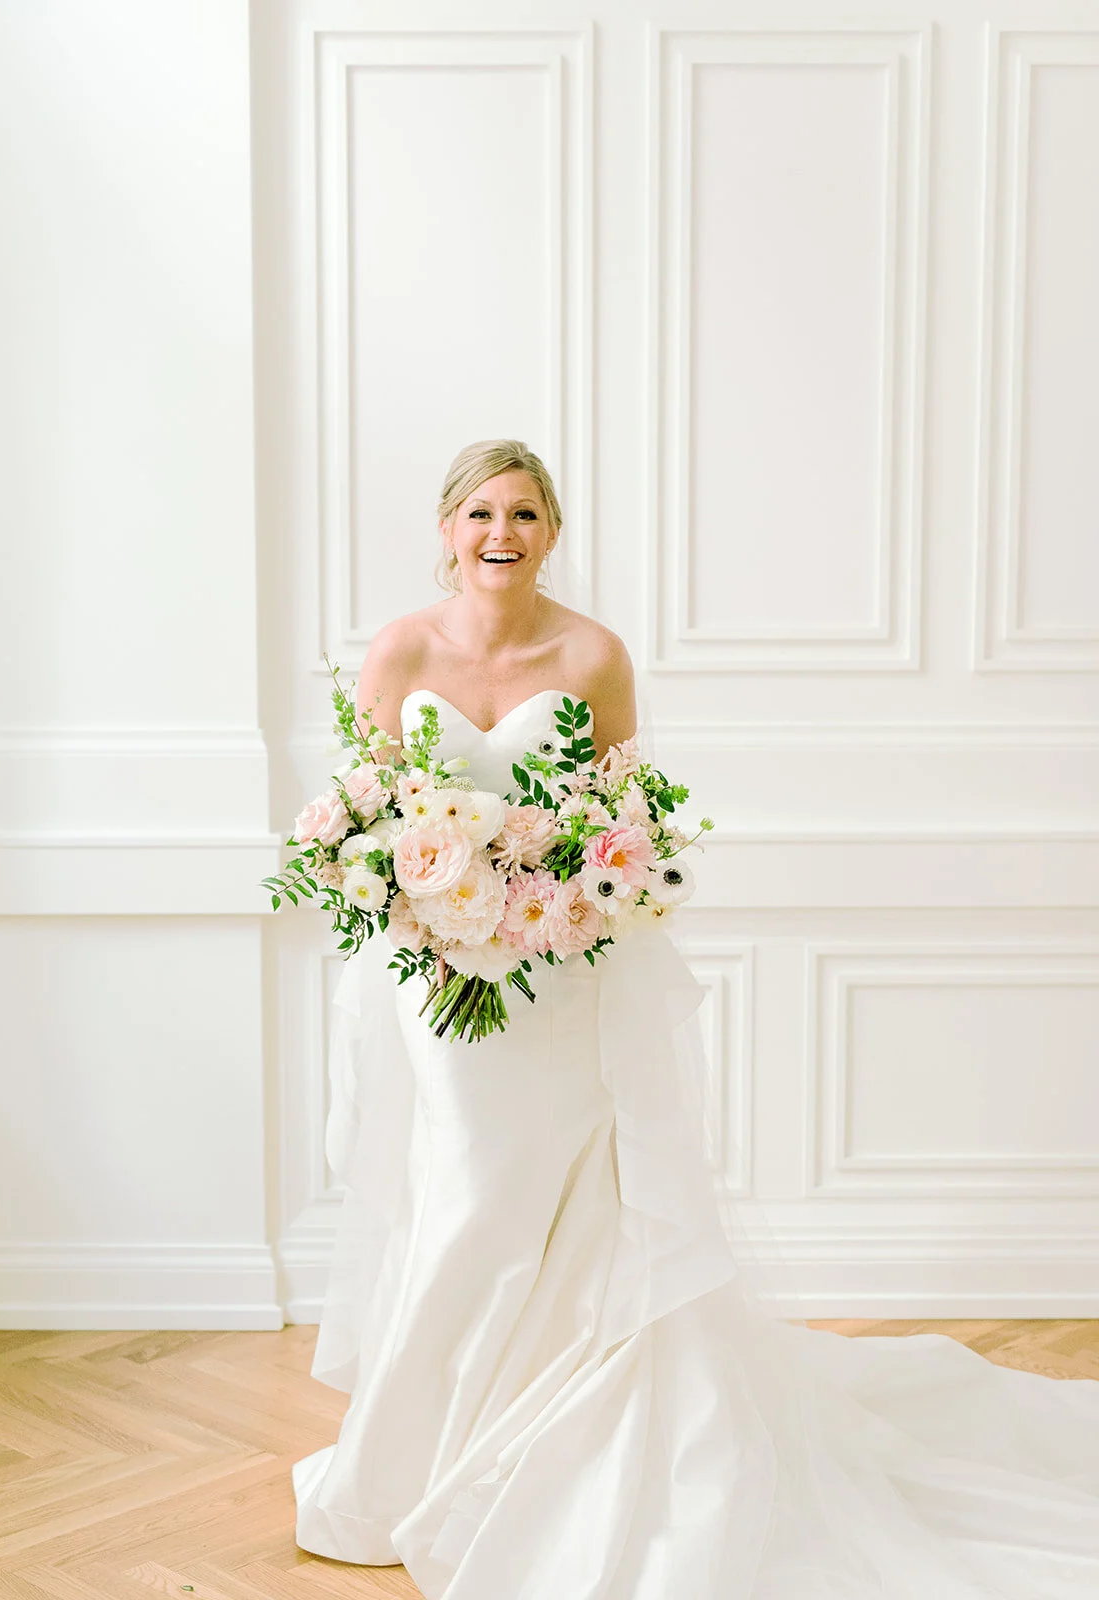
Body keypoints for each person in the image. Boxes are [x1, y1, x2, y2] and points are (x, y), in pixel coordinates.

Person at [292, 439, 1099, 1599]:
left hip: (560, 974)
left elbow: (625, 820)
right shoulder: (401, 648)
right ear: (449, 526)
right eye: (480, 512)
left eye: (523, 512)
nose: (500, 532)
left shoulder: (593, 654)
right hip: (440, 974)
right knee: (465, 1188)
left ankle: (522, 1438)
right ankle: (407, 1459)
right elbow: (366, 807)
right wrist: (425, 896)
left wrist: (562, 892)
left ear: (553, 530)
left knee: (543, 1193)